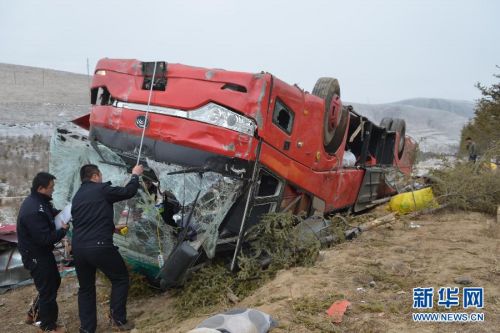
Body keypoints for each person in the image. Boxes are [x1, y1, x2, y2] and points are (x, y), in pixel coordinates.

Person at [71, 164, 143, 333]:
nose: (102, 178)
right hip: (99, 246)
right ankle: (118, 320)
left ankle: (87, 329)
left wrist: (111, 228)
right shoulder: (102, 189)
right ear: (95, 176)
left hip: (79, 249)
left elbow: (87, 221)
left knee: (86, 289)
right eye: (100, 176)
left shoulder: (77, 196)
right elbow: (128, 192)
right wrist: (135, 176)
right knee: (120, 278)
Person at [17, 172, 69, 333]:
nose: (53, 190)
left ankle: (33, 314)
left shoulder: (41, 202)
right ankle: (48, 326)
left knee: (53, 282)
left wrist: (65, 213)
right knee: (48, 289)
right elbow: (44, 238)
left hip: (41, 253)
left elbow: (51, 213)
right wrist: (62, 231)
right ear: (41, 188)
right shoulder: (33, 210)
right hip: (35, 255)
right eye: (51, 187)